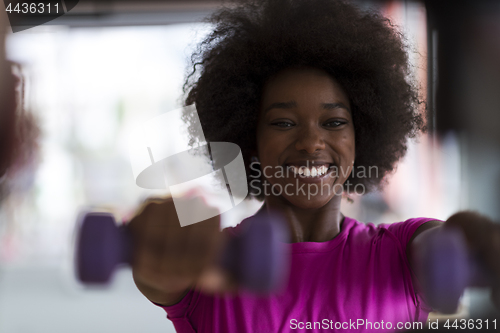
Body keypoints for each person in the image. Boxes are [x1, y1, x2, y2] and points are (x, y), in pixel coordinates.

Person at [129, 0, 500, 332]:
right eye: (283, 123)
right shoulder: (213, 263)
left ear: (361, 137)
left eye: (334, 122)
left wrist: (473, 237)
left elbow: (444, 243)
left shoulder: (402, 252)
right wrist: (155, 238)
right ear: (250, 140)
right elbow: (156, 273)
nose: (310, 142)